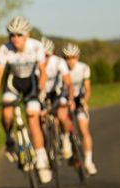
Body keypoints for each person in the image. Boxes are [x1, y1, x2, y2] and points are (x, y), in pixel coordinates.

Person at [0, 15, 53, 183]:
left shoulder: (36, 46)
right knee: (7, 112)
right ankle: (10, 138)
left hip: (31, 84)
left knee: (32, 117)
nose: (15, 38)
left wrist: (41, 90)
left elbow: (43, 72)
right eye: (12, 35)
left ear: (27, 35)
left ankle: (41, 159)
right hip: (13, 83)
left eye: (19, 35)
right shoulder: (5, 49)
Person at [63, 43, 98, 175]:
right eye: (67, 58)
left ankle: (89, 162)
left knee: (83, 129)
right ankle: (66, 142)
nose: (70, 61)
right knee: (63, 122)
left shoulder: (83, 68)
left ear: (77, 57)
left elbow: (87, 88)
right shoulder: (61, 68)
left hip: (79, 99)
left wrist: (84, 101)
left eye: (73, 57)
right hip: (65, 99)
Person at [41, 38, 74, 160]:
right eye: (41, 55)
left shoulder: (59, 62)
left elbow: (68, 83)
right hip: (43, 93)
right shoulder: (35, 62)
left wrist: (70, 98)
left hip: (58, 92)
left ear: (52, 54)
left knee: (61, 115)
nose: (44, 59)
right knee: (43, 121)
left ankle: (65, 138)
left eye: (47, 56)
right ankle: (49, 145)